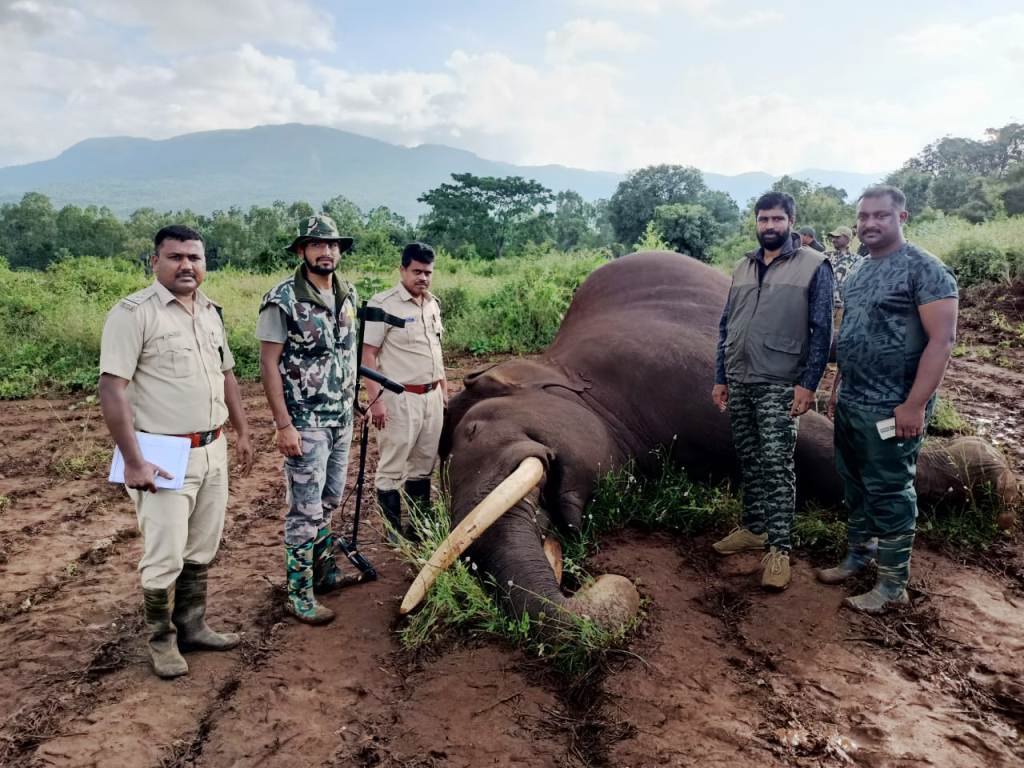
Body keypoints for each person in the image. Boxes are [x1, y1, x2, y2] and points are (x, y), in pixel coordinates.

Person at [99, 225, 253, 679]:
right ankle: (161, 640)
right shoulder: (134, 314)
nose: (187, 265)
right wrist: (132, 460)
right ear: (155, 262)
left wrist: (242, 431)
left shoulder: (209, 312)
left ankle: (193, 624)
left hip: (212, 447)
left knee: (202, 546)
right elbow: (112, 389)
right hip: (162, 453)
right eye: (175, 257)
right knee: (164, 552)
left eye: (195, 257)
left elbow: (226, 376)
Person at [821, 186, 958, 613]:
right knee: (855, 482)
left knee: (891, 489)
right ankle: (858, 555)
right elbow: (854, 335)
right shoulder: (859, 270)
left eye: (880, 215)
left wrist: (914, 405)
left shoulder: (927, 271)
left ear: (902, 217)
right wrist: (837, 384)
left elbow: (942, 341)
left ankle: (892, 585)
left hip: (893, 407)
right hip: (853, 400)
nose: (869, 224)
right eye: (863, 216)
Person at [711, 192, 834, 590]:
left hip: (781, 381)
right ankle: (755, 527)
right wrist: (721, 376)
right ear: (756, 222)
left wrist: (808, 384)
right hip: (742, 378)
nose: (769, 226)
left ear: (791, 221)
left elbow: (822, 332)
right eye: (763, 219)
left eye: (777, 219)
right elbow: (727, 325)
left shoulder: (814, 265)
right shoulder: (743, 266)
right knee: (748, 457)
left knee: (777, 465)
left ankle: (779, 549)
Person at [257, 214, 358, 625]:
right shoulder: (281, 299)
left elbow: (347, 353)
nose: (326, 251)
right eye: (317, 245)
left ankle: (325, 572)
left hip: (340, 417)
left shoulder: (347, 294)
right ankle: (299, 592)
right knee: (304, 509)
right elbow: (268, 364)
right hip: (305, 419)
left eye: (332, 245)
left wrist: (356, 399)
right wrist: (284, 425)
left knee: (330, 498)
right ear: (302, 251)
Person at [362, 242, 447, 541]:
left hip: (431, 396)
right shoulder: (382, 305)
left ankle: (420, 525)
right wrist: (375, 401)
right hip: (398, 398)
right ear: (402, 270)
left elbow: (436, 351)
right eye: (416, 271)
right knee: (393, 464)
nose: (422, 278)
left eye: (427, 273)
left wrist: (443, 390)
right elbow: (367, 356)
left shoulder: (432, 304)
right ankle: (393, 531)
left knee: (424, 463)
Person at [825, 225, 864, 346]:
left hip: (845, 308)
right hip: (826, 306)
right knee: (824, 337)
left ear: (847, 239)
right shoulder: (825, 256)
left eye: (837, 237)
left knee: (840, 339)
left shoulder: (858, 260)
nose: (834, 239)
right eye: (832, 237)